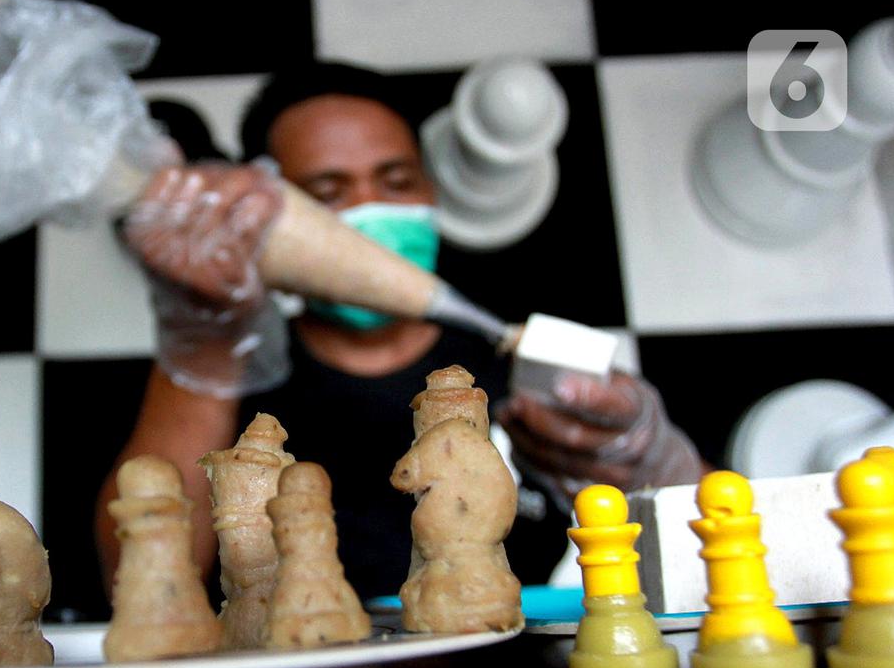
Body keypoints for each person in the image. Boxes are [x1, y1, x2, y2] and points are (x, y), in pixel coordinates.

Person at [95, 61, 710, 601]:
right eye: (328, 191)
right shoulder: (237, 387)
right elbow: (140, 589)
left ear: (430, 191)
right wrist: (202, 344)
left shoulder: (518, 362)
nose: (372, 214)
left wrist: (655, 463)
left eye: (395, 182)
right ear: (271, 218)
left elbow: (717, 541)